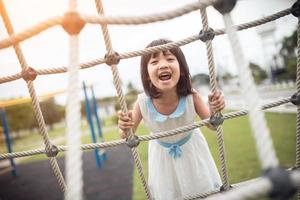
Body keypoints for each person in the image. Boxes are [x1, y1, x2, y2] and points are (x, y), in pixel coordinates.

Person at [118, 38, 224, 200]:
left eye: (170, 59)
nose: (163, 65)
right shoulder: (142, 103)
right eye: (154, 62)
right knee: (168, 194)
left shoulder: (191, 96)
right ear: (146, 75)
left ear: (181, 69)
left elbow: (212, 124)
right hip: (162, 161)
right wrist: (124, 127)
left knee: (202, 190)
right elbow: (128, 135)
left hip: (193, 154)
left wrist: (215, 110)